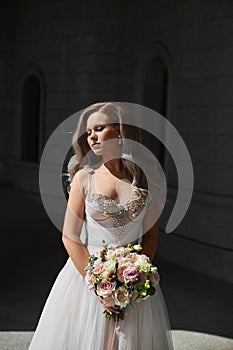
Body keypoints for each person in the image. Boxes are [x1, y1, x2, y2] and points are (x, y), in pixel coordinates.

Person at [29, 102, 174, 349]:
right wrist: (98, 285)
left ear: (120, 131)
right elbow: (70, 236)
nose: (92, 137)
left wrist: (136, 279)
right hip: (86, 278)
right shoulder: (85, 178)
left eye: (99, 128)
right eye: (88, 132)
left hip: (134, 282)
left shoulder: (146, 180)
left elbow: (150, 235)